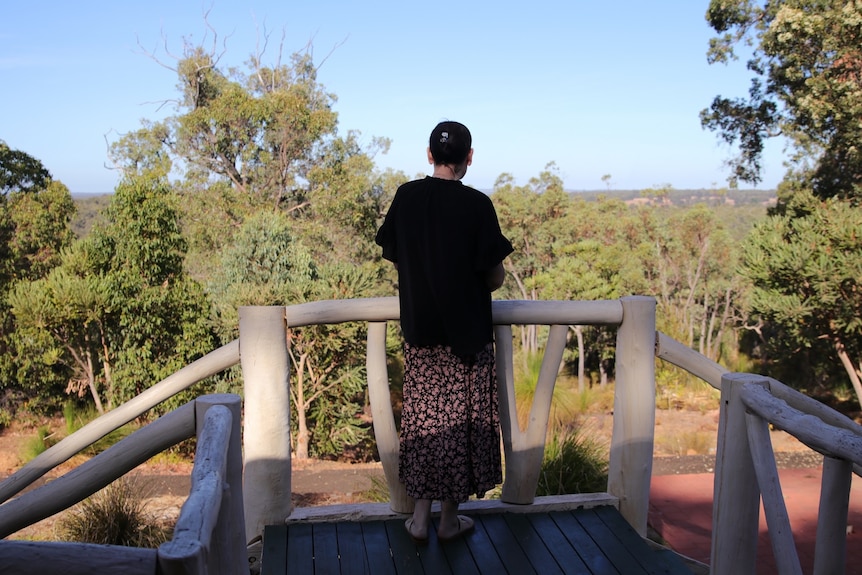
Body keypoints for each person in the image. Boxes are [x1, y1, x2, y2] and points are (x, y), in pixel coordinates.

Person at [375, 121, 514, 543]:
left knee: (424, 426)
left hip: (420, 333)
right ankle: (449, 521)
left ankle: (420, 520)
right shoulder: (477, 205)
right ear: (469, 157)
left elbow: (398, 257)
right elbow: (493, 278)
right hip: (466, 338)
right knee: (459, 428)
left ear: (429, 154)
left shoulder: (406, 197)